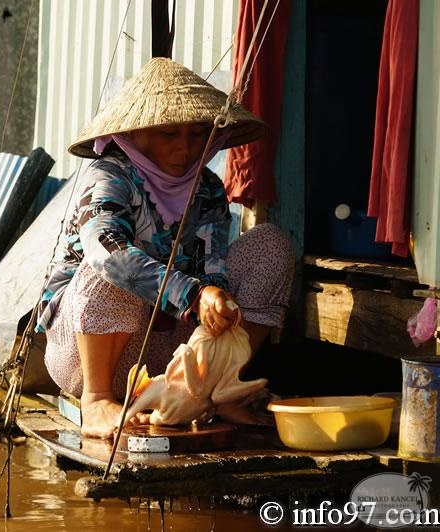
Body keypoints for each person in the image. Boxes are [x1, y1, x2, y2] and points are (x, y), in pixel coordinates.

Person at [36, 58, 295, 439]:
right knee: (113, 263)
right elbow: (106, 250)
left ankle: (220, 389)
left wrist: (213, 299)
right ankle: (98, 400)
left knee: (271, 244)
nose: (186, 148)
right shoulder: (109, 176)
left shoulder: (206, 188)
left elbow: (212, 269)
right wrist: (193, 294)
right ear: (136, 134)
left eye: (197, 134)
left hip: (169, 352)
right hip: (83, 355)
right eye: (168, 134)